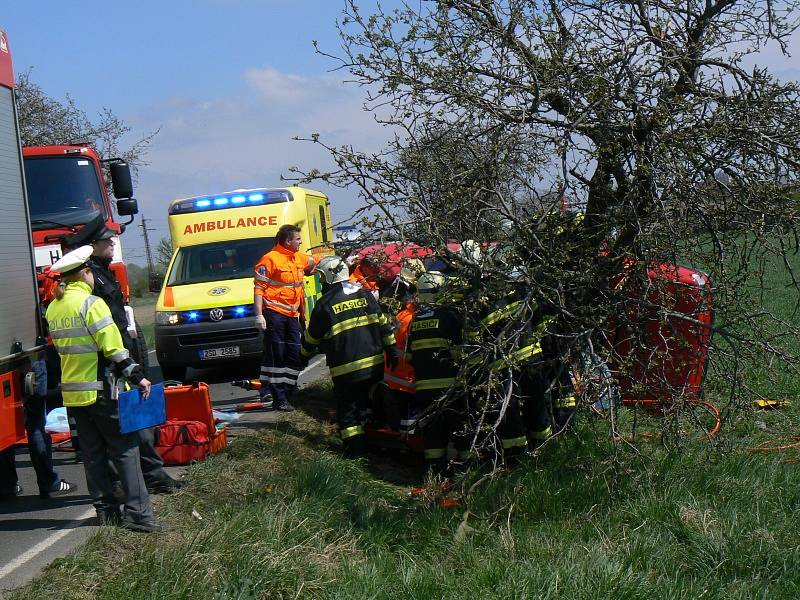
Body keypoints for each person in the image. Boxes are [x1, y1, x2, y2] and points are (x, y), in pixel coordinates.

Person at [46, 246, 159, 532]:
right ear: (85, 273)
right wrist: (139, 377)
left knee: (93, 455)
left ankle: (106, 513)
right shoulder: (91, 303)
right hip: (102, 391)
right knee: (126, 450)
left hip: (73, 393)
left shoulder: (54, 307)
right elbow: (113, 349)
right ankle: (139, 515)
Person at [85, 225, 183, 494]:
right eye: (107, 241)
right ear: (93, 245)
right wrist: (126, 364)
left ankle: (153, 475)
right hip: (111, 362)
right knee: (121, 430)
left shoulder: (104, 273)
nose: (113, 244)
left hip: (124, 354)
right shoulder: (91, 276)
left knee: (139, 418)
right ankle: (129, 483)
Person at [300, 256, 400, 457]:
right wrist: (392, 351)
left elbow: (311, 338)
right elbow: (383, 326)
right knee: (368, 402)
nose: (320, 282)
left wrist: (302, 356)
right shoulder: (365, 295)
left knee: (348, 414)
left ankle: (356, 455)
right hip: (375, 363)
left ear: (329, 277)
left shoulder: (324, 304)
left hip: (346, 370)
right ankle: (379, 408)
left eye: (321, 277)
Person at [407, 272, 470, 474]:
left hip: (424, 390)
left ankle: (434, 475)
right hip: (451, 387)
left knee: (433, 435)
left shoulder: (415, 321)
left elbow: (409, 357)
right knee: (461, 431)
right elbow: (459, 353)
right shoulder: (449, 315)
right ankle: (468, 471)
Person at [253, 224, 316, 411]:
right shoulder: (270, 259)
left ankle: (289, 390)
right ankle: (279, 397)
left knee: (294, 354)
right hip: (274, 314)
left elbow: (314, 260)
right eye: (298, 239)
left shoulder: (297, 257)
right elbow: (259, 289)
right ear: (288, 241)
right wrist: (259, 315)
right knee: (277, 357)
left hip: (292, 315)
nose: (301, 242)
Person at [0, 359, 77, 500]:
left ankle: (7, 484)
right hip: (30, 359)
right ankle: (49, 482)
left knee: (5, 423)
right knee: (36, 423)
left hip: (3, 364)